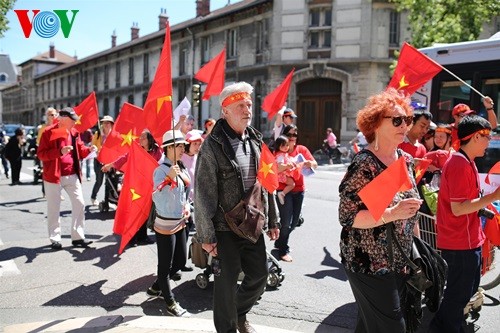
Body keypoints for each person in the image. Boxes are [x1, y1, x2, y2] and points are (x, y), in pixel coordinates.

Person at [193, 81, 280, 333]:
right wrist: (206, 236)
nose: (247, 110)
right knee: (225, 286)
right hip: (224, 228)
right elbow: (203, 194)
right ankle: (228, 328)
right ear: (225, 111)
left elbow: (266, 182)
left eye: (250, 105)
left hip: (253, 223)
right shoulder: (212, 145)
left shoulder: (254, 139)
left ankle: (239, 313)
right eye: (241, 105)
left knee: (259, 276)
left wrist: (273, 219)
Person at [338, 88, 423, 332]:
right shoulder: (365, 163)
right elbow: (347, 217)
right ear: (375, 123)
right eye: (396, 120)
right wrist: (392, 213)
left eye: (406, 119)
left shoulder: (404, 160)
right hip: (368, 263)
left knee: (368, 327)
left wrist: (416, 250)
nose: (404, 125)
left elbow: (411, 208)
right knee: (392, 327)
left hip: (400, 260)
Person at [429, 115, 500, 333]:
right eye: (487, 136)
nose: (489, 141)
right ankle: (448, 327)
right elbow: (458, 208)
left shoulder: (466, 161)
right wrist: (494, 196)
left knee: (465, 290)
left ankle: (441, 324)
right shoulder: (459, 163)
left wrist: (483, 207)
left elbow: (465, 202)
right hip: (459, 242)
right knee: (459, 294)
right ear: (476, 136)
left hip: (468, 238)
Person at [37, 107, 97, 250]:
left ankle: (77, 237)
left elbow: (81, 151)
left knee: (80, 203)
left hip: (72, 174)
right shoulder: (48, 132)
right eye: (72, 120)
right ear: (63, 119)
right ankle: (55, 238)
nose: (75, 123)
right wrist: (59, 152)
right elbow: (41, 154)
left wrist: (89, 150)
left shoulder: (74, 132)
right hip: (53, 176)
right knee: (54, 208)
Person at [147, 129, 192, 317]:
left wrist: (188, 206)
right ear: (169, 148)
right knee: (164, 266)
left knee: (181, 260)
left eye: (183, 146)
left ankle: (157, 287)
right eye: (179, 146)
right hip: (165, 223)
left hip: (181, 221)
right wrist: (168, 178)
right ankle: (170, 302)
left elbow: (185, 192)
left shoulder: (181, 167)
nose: (183, 149)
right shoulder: (161, 170)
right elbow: (155, 196)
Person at [102, 129, 162, 245]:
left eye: (144, 137)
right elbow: (124, 158)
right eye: (140, 137)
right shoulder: (136, 150)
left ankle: (142, 237)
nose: (141, 139)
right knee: (133, 211)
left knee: (144, 211)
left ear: (150, 139)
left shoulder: (157, 151)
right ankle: (131, 237)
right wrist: (110, 165)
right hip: (135, 185)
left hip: (148, 185)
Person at [275, 124, 317, 262]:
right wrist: (286, 166)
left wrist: (309, 163)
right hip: (284, 190)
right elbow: (275, 169)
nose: (292, 138)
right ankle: (283, 249)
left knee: (294, 223)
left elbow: (315, 164)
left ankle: (280, 240)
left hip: (299, 190)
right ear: (284, 136)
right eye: (289, 135)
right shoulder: (280, 150)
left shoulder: (301, 149)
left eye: (295, 135)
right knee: (286, 222)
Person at [180, 129, 204, 271]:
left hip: (195, 201)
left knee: (188, 231)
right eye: (195, 143)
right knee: (182, 232)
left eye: (199, 143)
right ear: (187, 144)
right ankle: (178, 263)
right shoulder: (180, 158)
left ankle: (181, 262)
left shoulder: (199, 157)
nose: (197, 146)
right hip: (182, 202)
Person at [90, 115, 114, 206]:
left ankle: (107, 201)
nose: (107, 124)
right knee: (99, 181)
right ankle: (93, 197)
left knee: (110, 182)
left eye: (109, 123)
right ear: (102, 124)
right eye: (105, 123)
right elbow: (93, 147)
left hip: (110, 162)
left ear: (112, 124)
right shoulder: (98, 134)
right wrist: (97, 150)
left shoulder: (114, 135)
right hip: (99, 161)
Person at [274, 135, 296, 205]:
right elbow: (280, 165)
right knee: (292, 184)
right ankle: (282, 193)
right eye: (283, 146)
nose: (286, 147)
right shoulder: (280, 155)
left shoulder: (283, 154)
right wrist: (287, 166)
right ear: (278, 146)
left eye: (287, 145)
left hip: (282, 174)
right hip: (281, 175)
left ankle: (282, 193)